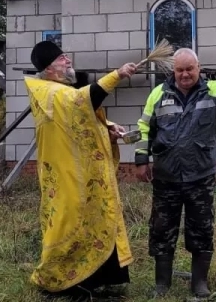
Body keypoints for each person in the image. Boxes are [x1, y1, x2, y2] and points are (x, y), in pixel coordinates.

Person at [134, 48, 216, 298]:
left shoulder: (212, 89)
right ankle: (162, 284)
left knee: (201, 228)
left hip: (200, 177)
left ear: (198, 68)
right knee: (161, 229)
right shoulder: (158, 94)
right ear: (174, 71)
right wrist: (141, 159)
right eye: (180, 70)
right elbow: (144, 127)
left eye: (189, 69)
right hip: (165, 177)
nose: (184, 74)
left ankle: (199, 283)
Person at [25, 40, 137, 300]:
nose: (68, 60)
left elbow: (80, 123)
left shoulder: (60, 92)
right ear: (48, 68)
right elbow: (80, 102)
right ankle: (57, 280)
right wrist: (117, 75)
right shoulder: (48, 91)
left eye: (66, 56)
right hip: (66, 177)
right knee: (68, 223)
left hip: (84, 175)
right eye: (62, 58)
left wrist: (107, 129)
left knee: (98, 218)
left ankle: (95, 282)